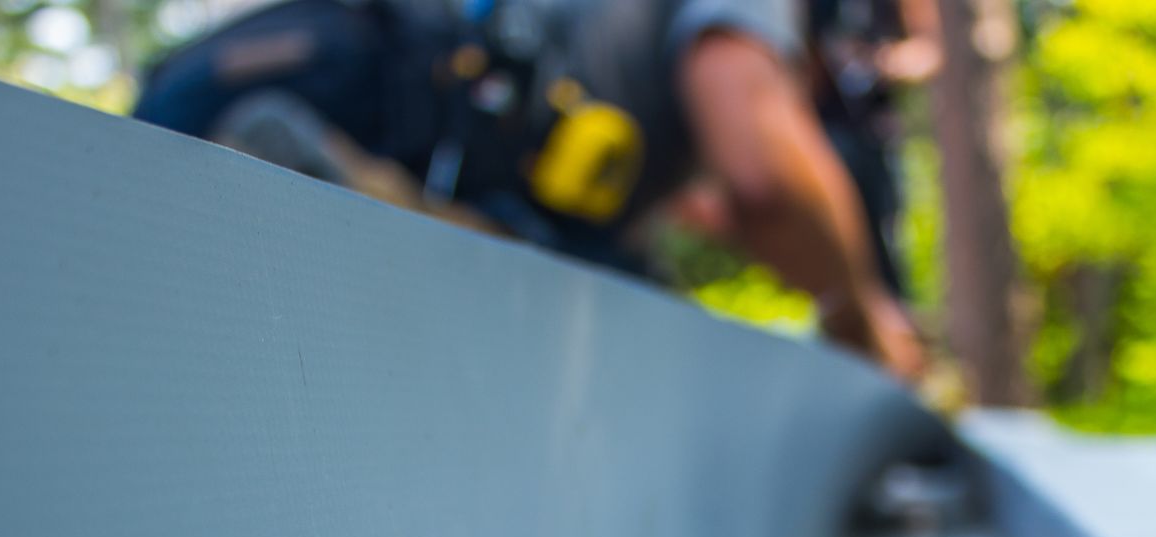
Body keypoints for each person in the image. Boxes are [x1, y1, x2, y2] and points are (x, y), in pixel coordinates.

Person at [133, 0, 924, 380]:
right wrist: (859, 314)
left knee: (644, 301)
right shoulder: (755, 19)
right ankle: (356, 195)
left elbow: (732, 208)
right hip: (436, 145)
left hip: (501, 170)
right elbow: (766, 175)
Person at [807, 0, 940, 298]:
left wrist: (882, 63)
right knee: (829, 254)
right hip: (820, 139)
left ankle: (891, 328)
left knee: (885, 258)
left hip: (875, 139)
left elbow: (928, 51)